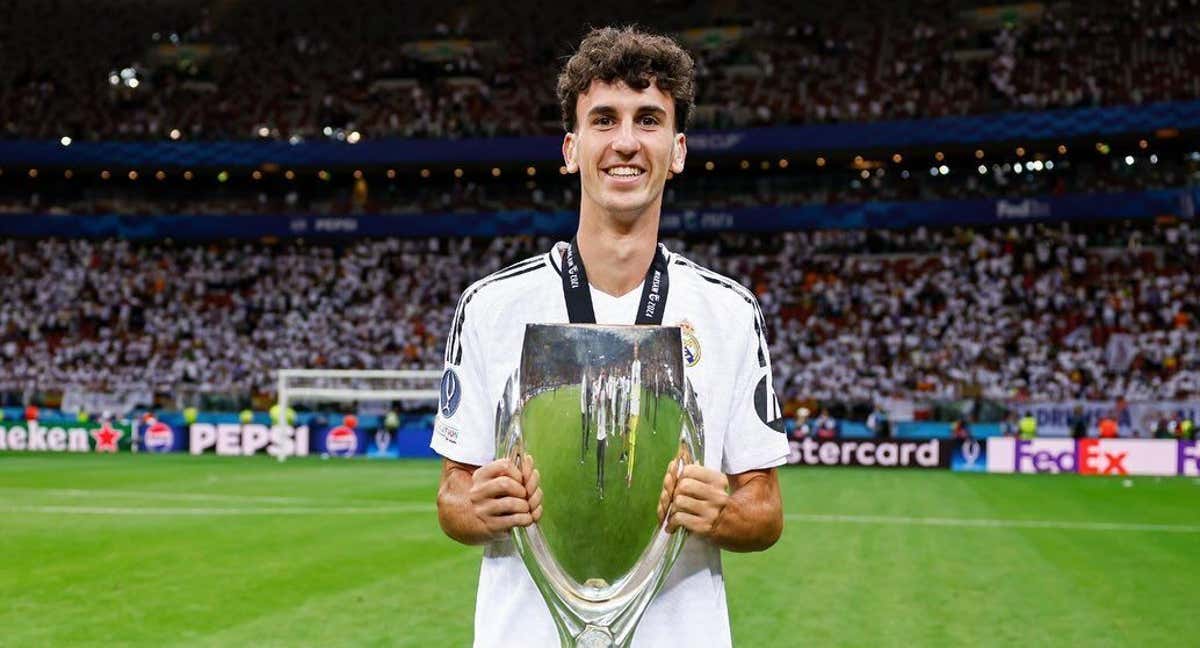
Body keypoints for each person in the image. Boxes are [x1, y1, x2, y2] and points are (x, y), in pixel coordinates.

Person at [431, 26, 787, 648]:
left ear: (677, 151)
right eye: (604, 120)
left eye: (648, 120)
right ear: (571, 148)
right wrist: (476, 508)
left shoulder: (731, 312)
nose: (625, 142)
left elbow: (767, 510)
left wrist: (724, 511)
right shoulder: (489, 307)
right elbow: (452, 498)